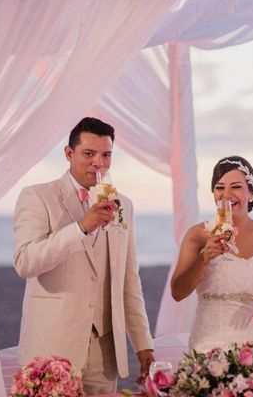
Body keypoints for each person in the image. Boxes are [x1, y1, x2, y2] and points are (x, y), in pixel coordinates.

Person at [13, 117, 155, 395]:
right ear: (69, 153)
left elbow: (129, 280)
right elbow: (25, 262)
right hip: (52, 348)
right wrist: (80, 229)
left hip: (105, 353)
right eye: (89, 154)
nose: (98, 163)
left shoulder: (123, 205)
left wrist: (143, 343)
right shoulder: (37, 197)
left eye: (106, 155)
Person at [170, 156, 253, 352]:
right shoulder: (197, 235)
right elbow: (177, 292)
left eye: (235, 187)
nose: (226, 194)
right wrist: (204, 258)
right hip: (209, 345)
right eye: (219, 187)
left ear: (251, 194)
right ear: (213, 193)